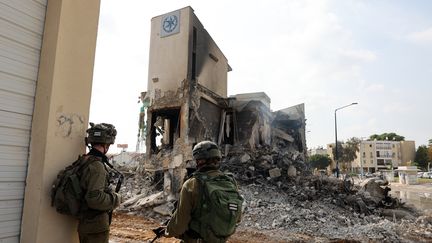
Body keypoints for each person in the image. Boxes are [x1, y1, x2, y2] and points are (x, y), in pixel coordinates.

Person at [166, 141, 242, 243]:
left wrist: (167, 231)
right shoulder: (230, 181)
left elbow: (180, 224)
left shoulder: (192, 184)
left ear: (199, 161)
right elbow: (237, 218)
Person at [78, 122, 122, 243]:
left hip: (86, 223)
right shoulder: (97, 166)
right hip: (95, 228)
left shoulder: (85, 159)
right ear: (106, 144)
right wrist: (117, 198)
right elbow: (95, 199)